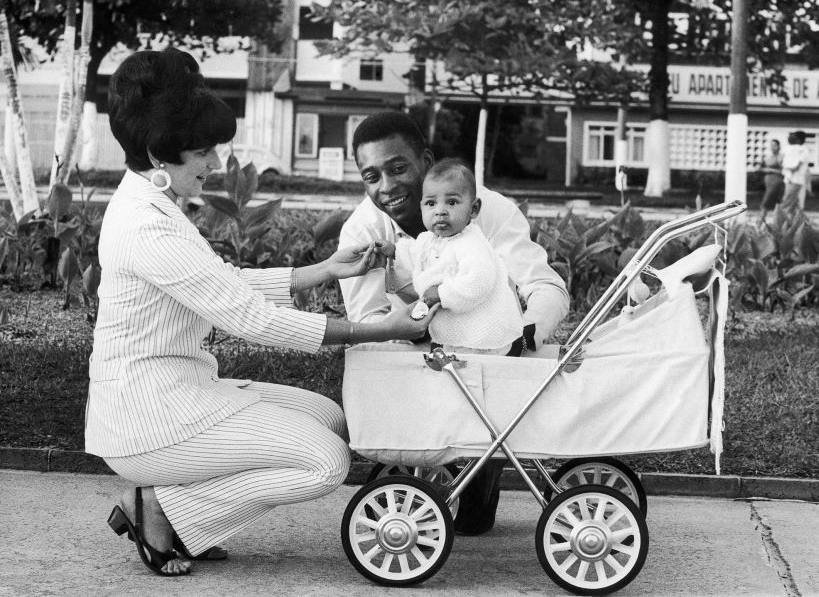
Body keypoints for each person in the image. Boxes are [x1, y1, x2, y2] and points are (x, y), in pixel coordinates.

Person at [87, 48, 437, 577]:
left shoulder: (150, 204)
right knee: (326, 462)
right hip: (150, 421)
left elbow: (215, 285)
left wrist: (318, 271)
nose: (214, 164)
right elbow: (249, 320)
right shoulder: (147, 226)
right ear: (162, 154)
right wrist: (374, 329)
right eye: (203, 152)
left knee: (331, 418)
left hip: (182, 391)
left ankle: (176, 506)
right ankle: (163, 509)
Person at [338, 111, 569, 535]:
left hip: (489, 358)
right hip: (413, 356)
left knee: (474, 523)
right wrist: (416, 332)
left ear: (425, 159)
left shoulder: (488, 209)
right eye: (371, 176)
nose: (386, 187)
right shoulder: (362, 230)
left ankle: (479, 468)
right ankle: (411, 469)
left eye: (398, 168)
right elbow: (368, 320)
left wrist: (527, 336)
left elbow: (544, 285)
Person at [378, 158, 525, 355]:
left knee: (475, 368)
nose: (440, 211)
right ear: (421, 206)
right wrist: (394, 251)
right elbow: (414, 254)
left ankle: (510, 350)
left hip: (483, 333)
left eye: (452, 202)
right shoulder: (428, 239)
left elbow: (479, 281)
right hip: (458, 329)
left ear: (473, 209)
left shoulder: (472, 244)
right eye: (431, 203)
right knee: (450, 357)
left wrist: (442, 294)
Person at [782, 130, 812, 212]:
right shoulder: (792, 149)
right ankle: (791, 222)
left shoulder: (803, 150)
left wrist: (787, 168)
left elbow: (796, 167)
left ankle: (781, 220)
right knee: (792, 202)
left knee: (788, 201)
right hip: (791, 179)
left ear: (799, 139)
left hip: (796, 179)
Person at [758, 138, 784, 224]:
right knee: (776, 202)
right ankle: (777, 223)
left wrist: (770, 170)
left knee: (766, 202)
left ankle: (760, 222)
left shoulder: (781, 157)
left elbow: (782, 171)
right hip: (768, 181)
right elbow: (761, 168)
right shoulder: (768, 157)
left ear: (778, 146)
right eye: (771, 145)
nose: (772, 147)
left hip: (777, 181)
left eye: (774, 145)